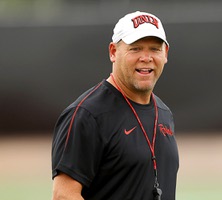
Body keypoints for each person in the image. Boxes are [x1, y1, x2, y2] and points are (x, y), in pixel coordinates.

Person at [51, 11, 179, 200]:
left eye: (154, 48)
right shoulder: (87, 114)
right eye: (135, 48)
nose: (146, 57)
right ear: (113, 52)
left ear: (165, 54)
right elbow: (64, 195)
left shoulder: (163, 112)